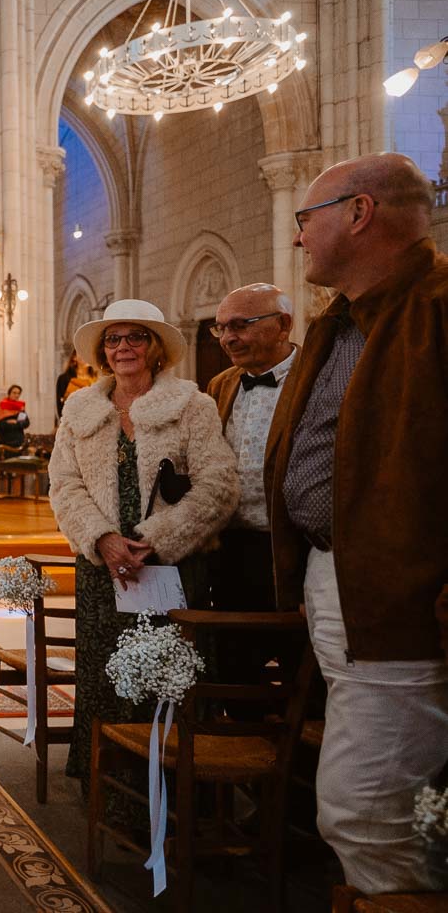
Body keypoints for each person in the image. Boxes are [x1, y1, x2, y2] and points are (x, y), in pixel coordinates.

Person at [266, 152, 448, 894]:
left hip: (401, 601)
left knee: (362, 809)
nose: (299, 237)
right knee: (371, 798)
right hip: (338, 578)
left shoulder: (435, 309)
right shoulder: (339, 321)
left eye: (307, 219)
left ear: (360, 213)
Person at [48, 298, 237, 810]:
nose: (123, 347)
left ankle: (175, 797)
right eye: (113, 339)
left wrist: (158, 538)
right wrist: (103, 539)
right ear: (101, 351)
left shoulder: (191, 404)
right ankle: (111, 793)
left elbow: (220, 484)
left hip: (171, 568)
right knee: (108, 677)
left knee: (169, 676)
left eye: (135, 337)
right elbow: (64, 485)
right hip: (103, 570)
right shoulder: (81, 407)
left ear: (155, 349)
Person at [204, 283, 297, 711]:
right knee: (235, 667)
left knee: (303, 666)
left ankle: (297, 769)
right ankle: (243, 765)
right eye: (220, 328)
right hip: (233, 549)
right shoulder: (220, 385)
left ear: (284, 325)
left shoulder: (314, 377)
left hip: (294, 548)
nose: (228, 338)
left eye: (240, 325)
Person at [0, 384, 30, 449]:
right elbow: (1, 425)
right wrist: (18, 424)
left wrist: (15, 422)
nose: (16, 395)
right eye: (14, 393)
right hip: (6, 441)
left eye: (18, 393)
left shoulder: (20, 407)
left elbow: (26, 423)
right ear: (9, 393)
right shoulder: (3, 406)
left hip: (19, 441)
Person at [55, 351, 80, 418]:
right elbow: (60, 404)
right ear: (74, 357)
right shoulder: (64, 378)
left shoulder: (95, 378)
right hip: (73, 419)